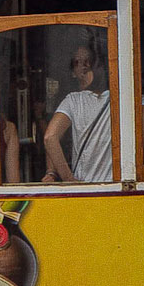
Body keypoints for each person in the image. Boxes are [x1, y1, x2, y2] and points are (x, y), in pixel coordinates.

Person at [43, 40, 114, 183]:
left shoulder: (74, 101)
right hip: (117, 185)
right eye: (77, 62)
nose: (84, 66)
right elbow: (51, 138)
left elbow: (50, 137)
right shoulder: (122, 98)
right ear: (73, 72)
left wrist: (68, 179)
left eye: (88, 61)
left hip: (85, 187)